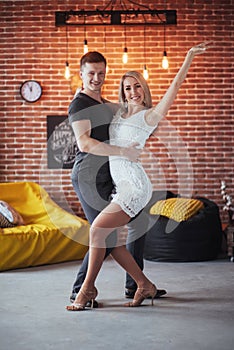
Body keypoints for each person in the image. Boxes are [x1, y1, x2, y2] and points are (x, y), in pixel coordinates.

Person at [67, 42, 211, 311]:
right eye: (127, 88)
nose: (133, 92)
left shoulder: (149, 115)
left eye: (137, 86)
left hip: (133, 185)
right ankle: (142, 285)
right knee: (106, 236)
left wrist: (188, 57)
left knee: (99, 231)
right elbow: (86, 128)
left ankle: (86, 290)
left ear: (145, 89)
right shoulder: (117, 112)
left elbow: (175, 88)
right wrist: (81, 93)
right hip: (112, 181)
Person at [68, 51, 166, 307]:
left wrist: (142, 125)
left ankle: (137, 285)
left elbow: (131, 118)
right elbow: (85, 142)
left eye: (101, 73)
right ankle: (84, 289)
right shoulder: (79, 104)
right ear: (81, 74)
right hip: (89, 176)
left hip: (110, 178)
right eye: (91, 73)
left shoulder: (106, 104)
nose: (97, 78)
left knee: (126, 228)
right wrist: (123, 152)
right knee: (103, 234)